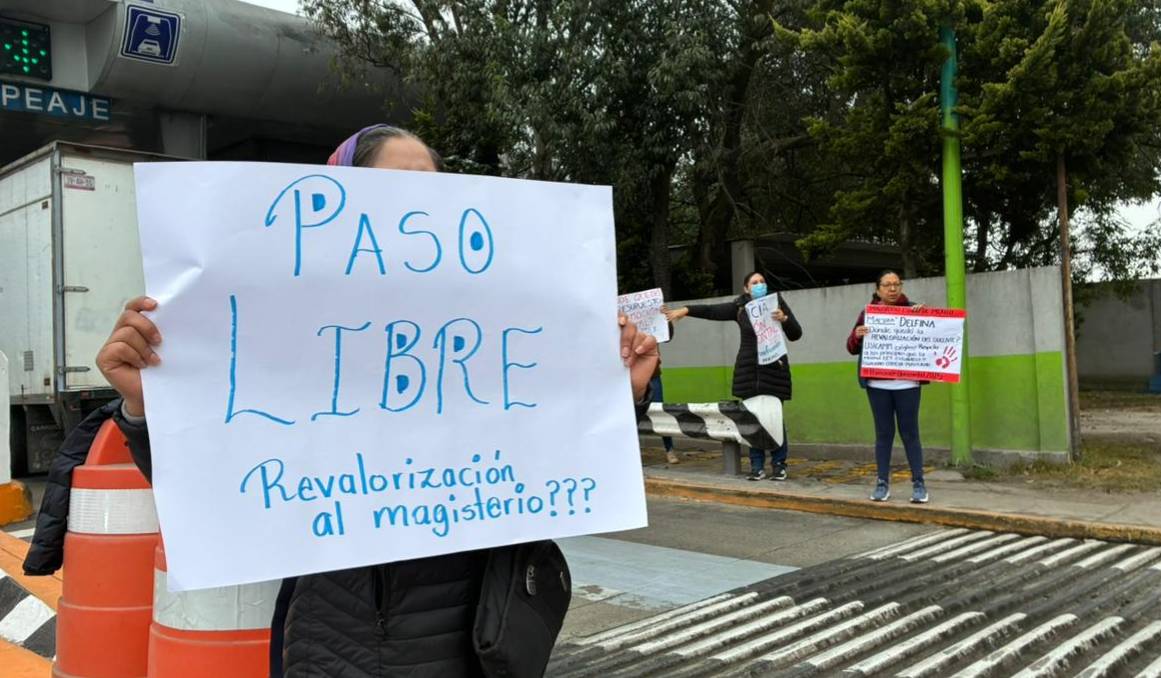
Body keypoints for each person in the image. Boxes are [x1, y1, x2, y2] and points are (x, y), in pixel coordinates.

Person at [95, 124, 660, 678]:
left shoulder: (489, 334)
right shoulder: (293, 338)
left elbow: (558, 458)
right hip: (333, 644)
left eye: (433, 191)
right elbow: (212, 488)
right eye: (391, 194)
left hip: (480, 644)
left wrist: (619, 394)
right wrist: (150, 407)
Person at [664, 272, 803, 481]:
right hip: (748, 372)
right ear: (746, 289)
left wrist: (784, 319)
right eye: (754, 283)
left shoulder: (776, 303)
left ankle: (779, 464)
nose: (759, 285)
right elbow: (712, 311)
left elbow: (796, 333)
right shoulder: (739, 307)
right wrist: (685, 310)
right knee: (752, 420)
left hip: (775, 369)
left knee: (774, 419)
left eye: (762, 282)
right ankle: (757, 466)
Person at [846, 270, 929, 504]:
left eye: (897, 284)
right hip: (877, 383)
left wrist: (924, 317)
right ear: (878, 288)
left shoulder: (914, 310)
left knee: (910, 433)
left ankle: (919, 483)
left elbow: (930, 337)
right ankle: (882, 483)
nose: (893, 289)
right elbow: (851, 347)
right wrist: (857, 335)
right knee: (884, 434)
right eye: (887, 285)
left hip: (908, 383)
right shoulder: (868, 313)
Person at [647, 322, 678, 463]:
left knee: (660, 411)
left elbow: (667, 336)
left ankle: (669, 449)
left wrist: (665, 319)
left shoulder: (651, 319)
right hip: (630, 376)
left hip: (652, 374)